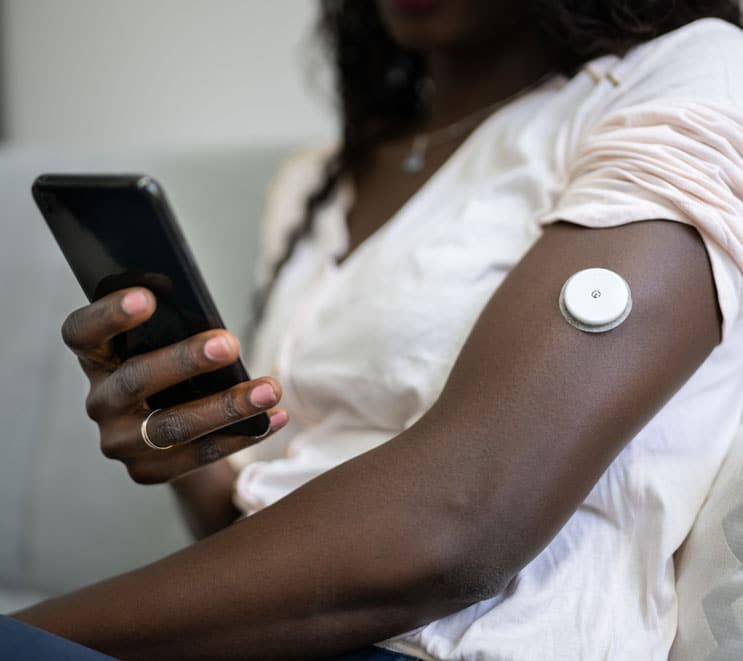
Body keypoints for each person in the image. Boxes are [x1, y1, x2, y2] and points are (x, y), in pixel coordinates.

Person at [7, 1, 743, 659]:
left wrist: (35, 633)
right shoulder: (318, 180)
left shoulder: (686, 75)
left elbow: (459, 526)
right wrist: (183, 439)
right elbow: (260, 538)